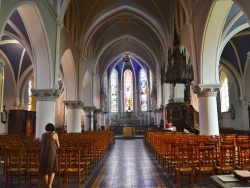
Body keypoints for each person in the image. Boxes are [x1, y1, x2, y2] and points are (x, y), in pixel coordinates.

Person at [39, 123, 60, 188]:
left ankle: (47, 185)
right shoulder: (55, 134)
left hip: (43, 153)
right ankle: (49, 185)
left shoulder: (43, 135)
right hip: (52, 153)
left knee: (45, 170)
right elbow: (58, 145)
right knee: (52, 169)